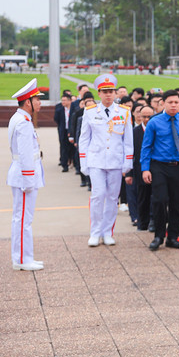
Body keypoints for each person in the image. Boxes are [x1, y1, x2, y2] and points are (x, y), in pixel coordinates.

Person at [78, 75, 134, 247]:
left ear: (115, 93)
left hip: (116, 161)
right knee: (98, 195)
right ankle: (95, 232)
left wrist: (128, 162)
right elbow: (84, 139)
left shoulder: (124, 111)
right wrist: (83, 161)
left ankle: (108, 232)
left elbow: (128, 140)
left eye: (111, 92)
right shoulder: (90, 111)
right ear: (99, 93)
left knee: (112, 197)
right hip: (96, 160)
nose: (108, 95)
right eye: (105, 92)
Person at [141, 91, 179, 251]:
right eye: (170, 102)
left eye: (176, 102)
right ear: (164, 104)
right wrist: (145, 169)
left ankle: (172, 236)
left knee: (177, 202)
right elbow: (146, 146)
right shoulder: (155, 122)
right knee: (159, 200)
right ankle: (159, 236)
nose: (173, 105)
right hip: (159, 166)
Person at [8, 79, 45, 270]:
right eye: (37, 99)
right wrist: (29, 180)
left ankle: (24, 257)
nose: (40, 103)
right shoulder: (23, 122)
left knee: (23, 218)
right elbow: (24, 154)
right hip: (24, 176)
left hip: (23, 175)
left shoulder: (22, 119)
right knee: (23, 219)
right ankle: (22, 260)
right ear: (28, 102)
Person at [130, 105, 154, 231]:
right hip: (140, 170)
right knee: (142, 197)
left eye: (149, 116)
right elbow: (130, 153)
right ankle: (142, 222)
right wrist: (129, 173)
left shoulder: (158, 130)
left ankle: (152, 221)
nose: (146, 119)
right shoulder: (134, 132)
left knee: (155, 197)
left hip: (156, 169)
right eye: (144, 116)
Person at [54, 93, 74, 172]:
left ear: (69, 101)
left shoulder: (74, 109)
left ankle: (73, 162)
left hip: (71, 130)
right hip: (63, 130)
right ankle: (64, 165)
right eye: (62, 100)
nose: (63, 102)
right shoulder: (59, 110)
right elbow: (56, 119)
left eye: (65, 100)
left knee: (72, 148)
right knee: (63, 147)